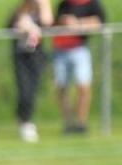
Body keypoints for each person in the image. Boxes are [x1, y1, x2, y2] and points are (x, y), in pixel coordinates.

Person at [52, 0, 106, 133]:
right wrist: (63, 22)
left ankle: (80, 122)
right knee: (61, 87)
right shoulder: (64, 4)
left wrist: (78, 23)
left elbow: (99, 22)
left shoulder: (92, 3)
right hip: (61, 49)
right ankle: (68, 122)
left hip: (79, 49)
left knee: (83, 86)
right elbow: (55, 23)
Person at [9, 0, 53, 141]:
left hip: (36, 57)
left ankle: (27, 120)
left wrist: (43, 5)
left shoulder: (41, 11)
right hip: (21, 56)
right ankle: (24, 122)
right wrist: (22, 27)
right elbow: (10, 27)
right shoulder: (20, 11)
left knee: (32, 91)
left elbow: (47, 23)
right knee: (24, 90)